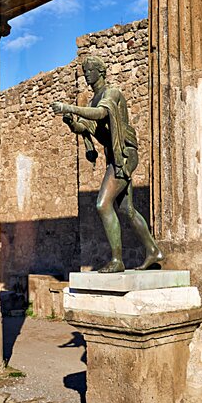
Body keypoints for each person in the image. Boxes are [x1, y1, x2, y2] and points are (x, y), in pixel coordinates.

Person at [51, 55, 163, 273]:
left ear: (100, 72)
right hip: (115, 156)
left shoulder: (111, 93)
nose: (86, 74)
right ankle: (153, 251)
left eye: (90, 69)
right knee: (127, 209)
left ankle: (117, 260)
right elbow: (87, 127)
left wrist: (71, 107)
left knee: (103, 205)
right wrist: (71, 122)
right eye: (85, 70)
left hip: (124, 154)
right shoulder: (93, 100)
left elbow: (102, 113)